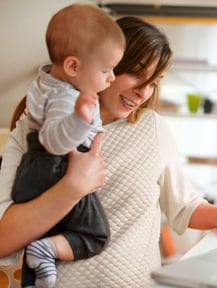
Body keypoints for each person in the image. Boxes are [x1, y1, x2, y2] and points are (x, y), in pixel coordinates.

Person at [0, 16, 217, 287]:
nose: (143, 92)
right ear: (106, 64)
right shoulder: (34, 128)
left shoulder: (153, 129)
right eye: (136, 73)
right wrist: (74, 187)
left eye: (154, 82)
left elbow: (185, 208)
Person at [9, 3, 125, 288]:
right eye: (107, 70)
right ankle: (46, 251)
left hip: (41, 172)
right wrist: (80, 119)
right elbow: (54, 141)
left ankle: (40, 258)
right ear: (73, 66)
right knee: (95, 233)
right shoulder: (67, 98)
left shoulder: (49, 82)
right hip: (55, 167)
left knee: (40, 233)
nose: (111, 78)